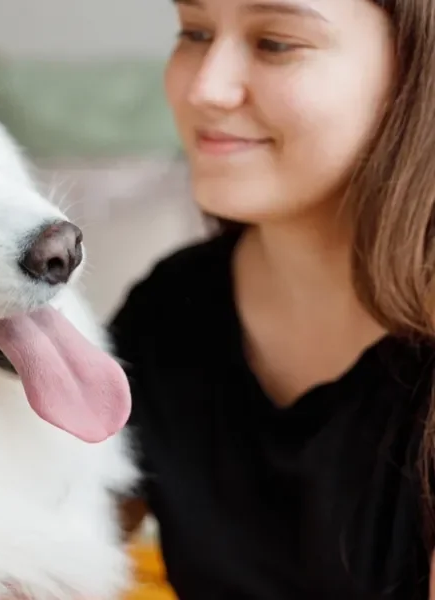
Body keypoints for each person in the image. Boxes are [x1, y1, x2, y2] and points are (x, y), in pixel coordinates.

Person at [107, 0, 435, 598]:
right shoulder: (170, 311)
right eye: (195, 32)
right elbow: (40, 550)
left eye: (276, 43)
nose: (207, 87)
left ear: (416, 71)